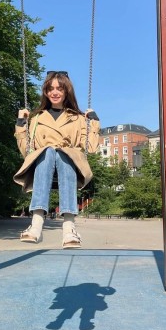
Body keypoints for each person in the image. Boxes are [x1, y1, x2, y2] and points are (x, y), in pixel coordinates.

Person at [13, 71, 100, 248]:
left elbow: (90, 148)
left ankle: (69, 228)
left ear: (66, 91)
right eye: (50, 88)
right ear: (45, 92)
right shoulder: (37, 117)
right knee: (48, 151)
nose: (55, 92)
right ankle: (37, 224)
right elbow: (27, 152)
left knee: (60, 152)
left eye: (59, 88)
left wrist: (94, 122)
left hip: (68, 164)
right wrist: (21, 124)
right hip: (42, 163)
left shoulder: (77, 118)